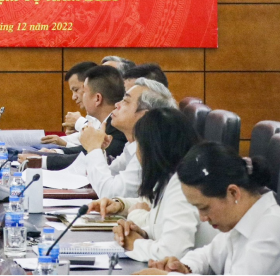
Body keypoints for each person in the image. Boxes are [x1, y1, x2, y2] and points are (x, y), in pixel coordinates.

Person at [136, 143, 280, 276]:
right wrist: (184, 268)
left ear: (233, 193)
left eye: (204, 207)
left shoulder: (274, 226)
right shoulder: (238, 222)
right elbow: (207, 255)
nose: (203, 218)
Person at [87, 107, 215, 262]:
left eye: (138, 144)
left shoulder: (183, 185)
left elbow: (172, 254)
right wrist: (142, 232)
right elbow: (164, 223)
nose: (138, 152)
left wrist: (134, 243)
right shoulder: (172, 176)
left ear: (153, 148)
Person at [81, 78, 176, 198]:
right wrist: (99, 149)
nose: (117, 105)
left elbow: (111, 194)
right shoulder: (133, 144)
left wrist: (93, 148)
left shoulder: (151, 152)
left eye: (125, 101)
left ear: (144, 116)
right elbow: (110, 175)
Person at [36, 66, 128, 171]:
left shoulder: (119, 128)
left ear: (97, 98)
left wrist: (42, 161)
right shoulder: (110, 123)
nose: (76, 97)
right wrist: (57, 152)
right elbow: (85, 150)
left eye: (84, 92)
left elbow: (89, 160)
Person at [44, 61, 97, 141]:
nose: (73, 97)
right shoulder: (91, 114)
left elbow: (100, 140)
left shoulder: (114, 111)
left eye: (76, 90)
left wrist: (79, 122)